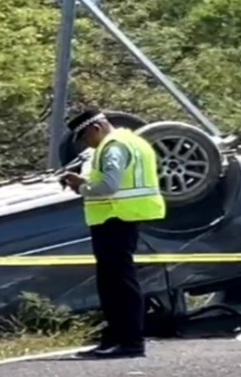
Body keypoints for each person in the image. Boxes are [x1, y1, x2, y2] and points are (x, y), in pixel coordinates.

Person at [59, 109, 166, 359]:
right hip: (121, 216)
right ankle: (116, 337)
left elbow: (109, 185)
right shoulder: (133, 141)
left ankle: (129, 341)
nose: (86, 143)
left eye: (85, 137)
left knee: (119, 282)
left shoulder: (113, 147)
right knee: (112, 281)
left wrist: (81, 186)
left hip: (116, 216)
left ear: (96, 128)